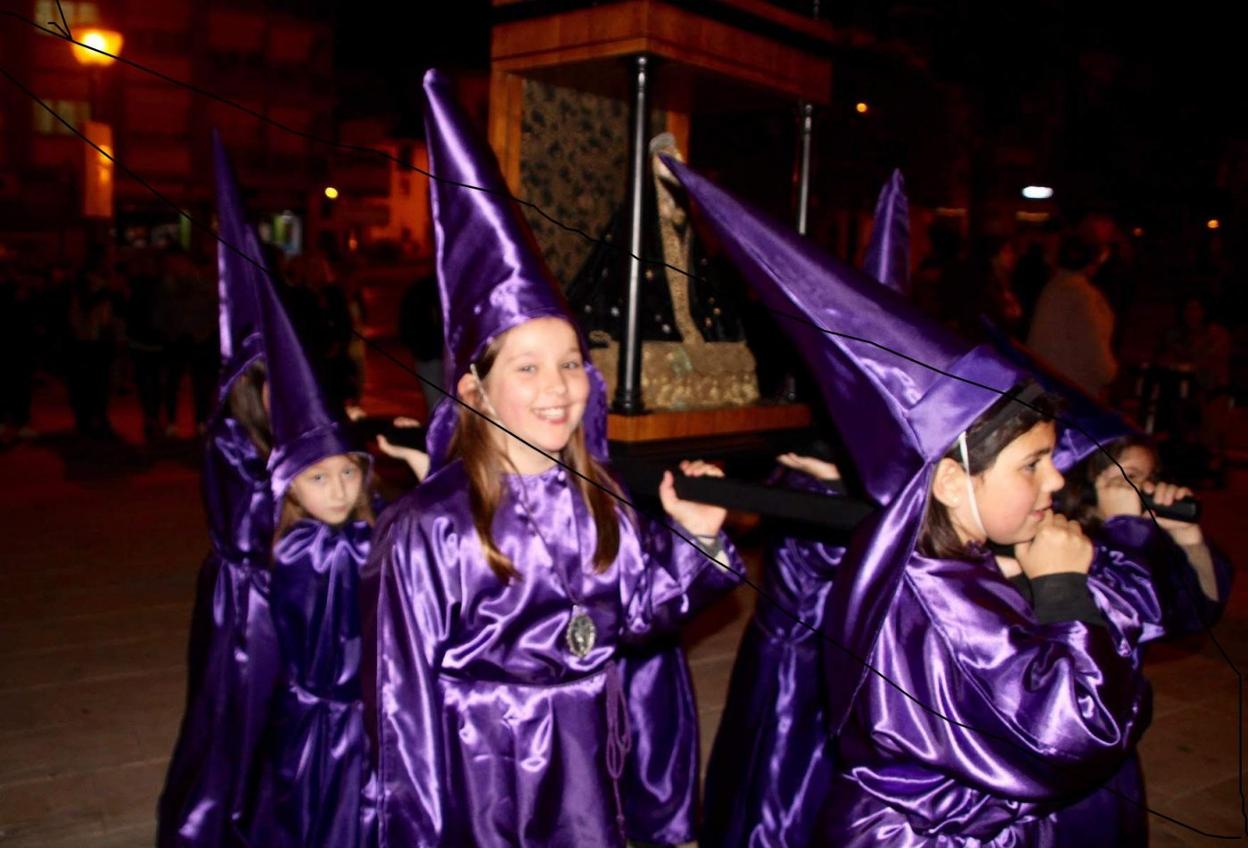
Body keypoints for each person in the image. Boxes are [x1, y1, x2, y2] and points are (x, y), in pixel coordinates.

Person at [669, 159, 1164, 846]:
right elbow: (1078, 732)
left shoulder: (949, 558)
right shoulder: (941, 601)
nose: (1056, 482)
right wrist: (1063, 593)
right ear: (953, 482)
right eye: (1033, 464)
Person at [363, 70, 743, 847]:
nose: (557, 387)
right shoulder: (427, 529)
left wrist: (697, 539)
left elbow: (634, 619)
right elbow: (399, 704)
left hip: (581, 768)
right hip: (480, 776)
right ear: (474, 388)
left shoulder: (596, 493)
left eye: (571, 361)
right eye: (527, 367)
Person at [1058, 435, 1232, 633]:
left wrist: (1188, 539)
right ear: (1088, 484)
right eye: (1131, 476)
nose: (1146, 489)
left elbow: (1192, 617)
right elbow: (1115, 624)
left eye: (1149, 478)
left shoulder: (1143, 541)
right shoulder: (1061, 544)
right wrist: (1124, 531)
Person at [1027, 236, 1118, 399]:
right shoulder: (1083, 296)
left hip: (1049, 382)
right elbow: (1093, 344)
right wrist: (1109, 374)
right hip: (1072, 387)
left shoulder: (1054, 287)